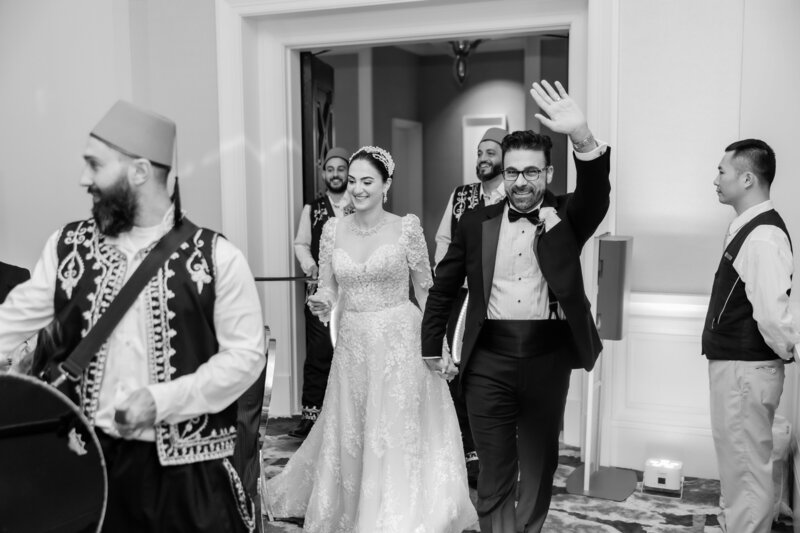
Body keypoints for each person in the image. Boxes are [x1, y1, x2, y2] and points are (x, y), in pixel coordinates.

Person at [0, 100, 265, 533]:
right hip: (83, 466)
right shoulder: (67, 248)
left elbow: (245, 357)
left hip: (184, 478)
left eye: (95, 165)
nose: (83, 179)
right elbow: (11, 320)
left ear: (140, 172)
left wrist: (163, 401)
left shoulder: (217, 258)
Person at [421, 80, 611, 533]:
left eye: (530, 172)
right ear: (501, 174)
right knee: (494, 470)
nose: (519, 182)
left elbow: (597, 196)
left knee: (539, 465)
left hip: (548, 357)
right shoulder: (474, 222)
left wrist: (582, 135)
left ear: (547, 175)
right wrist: (431, 343)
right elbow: (444, 285)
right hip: (488, 357)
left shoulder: (567, 217)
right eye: (511, 172)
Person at [266, 145, 477, 532]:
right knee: (353, 427)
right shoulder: (332, 231)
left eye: (368, 181)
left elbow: (427, 291)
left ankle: (394, 512)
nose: (358, 189)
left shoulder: (406, 229)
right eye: (353, 181)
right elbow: (329, 288)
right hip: (353, 342)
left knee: (393, 429)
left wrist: (439, 347)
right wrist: (321, 301)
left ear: (386, 185)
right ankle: (353, 502)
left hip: (400, 339)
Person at [703, 139, 800, 533]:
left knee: (746, 471)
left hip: (746, 371)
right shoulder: (750, 228)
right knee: (738, 464)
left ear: (747, 178)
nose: (715, 179)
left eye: (722, 171)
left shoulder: (762, 236)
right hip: (740, 368)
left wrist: (784, 352)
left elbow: (774, 318)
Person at [433, 126, 507, 487]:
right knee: (456, 372)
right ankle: (466, 451)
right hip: (461, 297)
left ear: (506, 157)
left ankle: (495, 451)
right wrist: (447, 279)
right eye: (480, 152)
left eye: (491, 152)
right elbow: (444, 240)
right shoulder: (461, 196)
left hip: (498, 301)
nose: (483, 159)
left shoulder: (516, 195)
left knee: (489, 373)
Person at [290, 146, 353, 439]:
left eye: (341, 169)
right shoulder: (311, 209)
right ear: (324, 173)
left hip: (353, 293)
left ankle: (347, 418)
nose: (336, 174)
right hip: (320, 292)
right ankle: (311, 415)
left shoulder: (359, 203)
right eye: (331, 169)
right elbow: (301, 243)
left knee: (350, 353)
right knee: (318, 354)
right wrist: (309, 264)